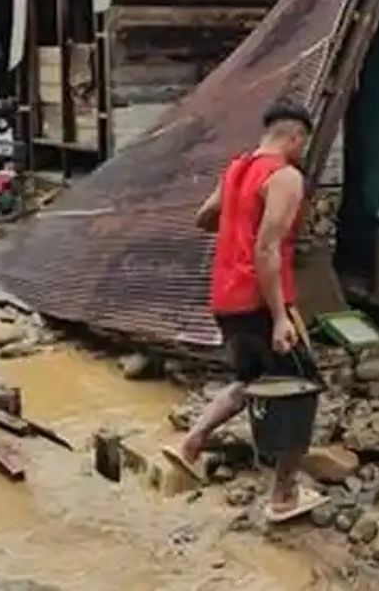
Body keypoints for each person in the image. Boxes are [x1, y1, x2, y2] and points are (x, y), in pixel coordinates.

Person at [164, 101, 322, 522]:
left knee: (251, 380)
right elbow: (267, 249)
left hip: (226, 300)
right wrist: (281, 317)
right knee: (302, 389)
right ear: (295, 138)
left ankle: (191, 442)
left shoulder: (236, 169)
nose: (301, 151)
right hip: (260, 301)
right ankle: (284, 496)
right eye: (302, 143)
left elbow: (203, 219)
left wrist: (238, 224)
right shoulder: (285, 176)